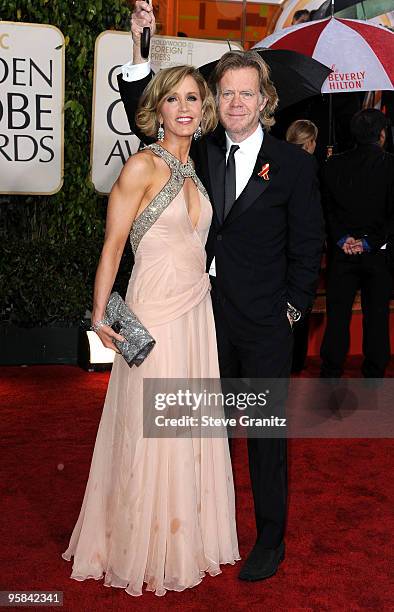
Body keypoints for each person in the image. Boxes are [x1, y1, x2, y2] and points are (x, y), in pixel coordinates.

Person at [118, 1, 324, 582]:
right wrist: (142, 48)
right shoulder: (197, 152)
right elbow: (140, 114)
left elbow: (309, 246)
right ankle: (206, 527)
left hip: (263, 325)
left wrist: (290, 310)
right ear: (217, 101)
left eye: (246, 93)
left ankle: (270, 539)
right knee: (204, 436)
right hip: (201, 321)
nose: (235, 102)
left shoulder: (291, 165)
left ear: (266, 101)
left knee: (263, 437)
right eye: (226, 93)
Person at [62, 64, 240, 597]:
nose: (184, 107)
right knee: (150, 427)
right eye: (173, 99)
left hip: (195, 314)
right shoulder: (142, 166)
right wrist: (99, 316)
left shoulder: (198, 170)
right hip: (153, 315)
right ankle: (139, 542)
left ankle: (183, 536)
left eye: (193, 98)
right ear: (156, 108)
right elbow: (113, 247)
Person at [320, 109, 394, 378]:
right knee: (377, 315)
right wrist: (369, 242)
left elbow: (326, 210)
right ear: (382, 135)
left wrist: (344, 239)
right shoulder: (390, 165)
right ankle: (374, 372)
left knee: (337, 315)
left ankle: (330, 370)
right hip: (377, 255)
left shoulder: (332, 164)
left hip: (343, 253)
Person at [286, 120, 319, 371]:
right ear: (309, 142)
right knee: (298, 303)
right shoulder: (308, 165)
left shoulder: (276, 161)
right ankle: (295, 362)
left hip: (279, 248)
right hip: (299, 247)